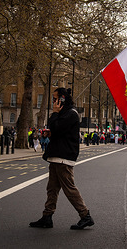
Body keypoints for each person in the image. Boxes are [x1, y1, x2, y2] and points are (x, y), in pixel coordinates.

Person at [30, 87, 94, 230]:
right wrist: (50, 133)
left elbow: (58, 127)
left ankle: (85, 215)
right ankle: (47, 216)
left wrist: (54, 113)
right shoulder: (65, 113)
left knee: (69, 189)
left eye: (55, 98)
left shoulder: (71, 114)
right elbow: (59, 132)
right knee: (52, 188)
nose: (53, 101)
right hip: (57, 156)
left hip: (63, 157)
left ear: (62, 99)